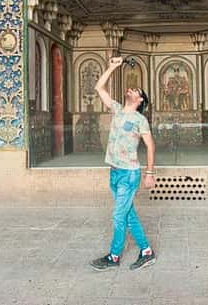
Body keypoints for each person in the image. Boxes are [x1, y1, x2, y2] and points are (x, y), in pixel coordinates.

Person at [90, 56, 157, 271]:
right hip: (115, 172)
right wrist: (112, 67)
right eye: (132, 89)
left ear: (140, 101)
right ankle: (146, 251)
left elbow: (150, 146)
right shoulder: (117, 109)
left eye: (136, 91)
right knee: (128, 215)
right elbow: (99, 87)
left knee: (118, 216)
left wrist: (149, 173)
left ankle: (114, 256)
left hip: (129, 174)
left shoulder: (140, 120)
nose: (131, 90)